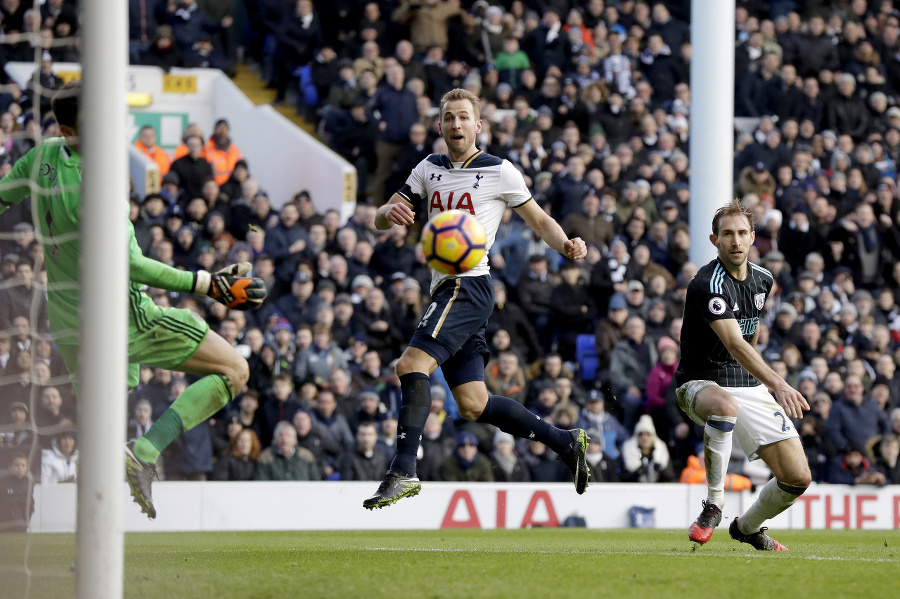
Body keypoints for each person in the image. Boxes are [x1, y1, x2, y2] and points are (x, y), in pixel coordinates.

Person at [0, 84, 267, 519]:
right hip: (122, 318)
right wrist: (206, 283)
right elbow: (133, 266)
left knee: (100, 445)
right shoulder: (98, 185)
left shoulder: (42, 156)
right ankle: (146, 449)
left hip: (70, 327)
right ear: (69, 129)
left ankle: (86, 559)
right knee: (235, 370)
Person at [363, 88, 590, 510]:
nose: (456, 125)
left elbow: (539, 220)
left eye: (464, 117)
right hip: (444, 287)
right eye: (449, 117)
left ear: (478, 125)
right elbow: (382, 216)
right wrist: (386, 214)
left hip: (467, 284)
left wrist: (568, 246)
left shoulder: (500, 171)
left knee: (411, 364)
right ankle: (565, 442)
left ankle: (403, 469)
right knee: (473, 403)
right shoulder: (428, 168)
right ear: (440, 125)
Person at [675, 199, 811, 551]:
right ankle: (714, 504)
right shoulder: (707, 283)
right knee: (722, 405)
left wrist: (761, 382)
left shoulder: (764, 280)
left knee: (797, 478)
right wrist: (777, 382)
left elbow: (750, 337)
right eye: (727, 235)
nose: (735, 241)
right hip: (699, 381)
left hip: (746, 382)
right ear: (714, 240)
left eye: (741, 234)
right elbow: (735, 344)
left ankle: (748, 527)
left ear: (753, 237)